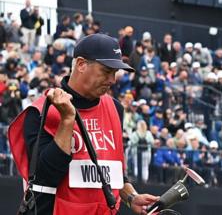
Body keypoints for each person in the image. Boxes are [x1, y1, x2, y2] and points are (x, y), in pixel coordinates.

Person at [8, 34, 160, 214]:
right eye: (106, 71)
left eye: (115, 73)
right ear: (81, 64)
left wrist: (131, 197)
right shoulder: (41, 110)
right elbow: (45, 177)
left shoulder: (115, 108)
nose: (112, 80)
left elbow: (115, 172)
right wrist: (67, 120)